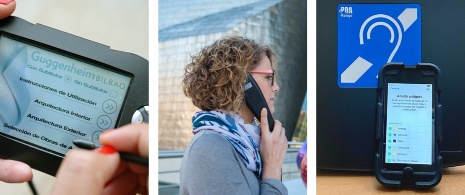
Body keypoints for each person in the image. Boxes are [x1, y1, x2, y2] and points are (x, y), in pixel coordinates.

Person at [180, 36, 288, 194]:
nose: (276, 87)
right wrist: (272, 169)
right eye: (268, 78)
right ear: (243, 82)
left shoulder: (247, 145)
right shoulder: (210, 147)